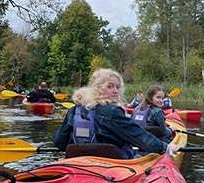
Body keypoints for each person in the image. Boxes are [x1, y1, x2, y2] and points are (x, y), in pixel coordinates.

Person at [52, 68, 180, 159]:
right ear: (98, 88)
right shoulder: (112, 112)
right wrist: (166, 148)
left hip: (81, 164)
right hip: (114, 166)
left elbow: (59, 142)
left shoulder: (74, 111)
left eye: (117, 87)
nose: (115, 91)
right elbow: (138, 136)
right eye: (110, 87)